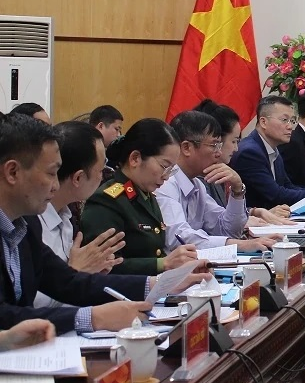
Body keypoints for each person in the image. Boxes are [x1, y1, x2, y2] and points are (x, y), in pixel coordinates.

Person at [0, 113, 205, 334]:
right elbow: (5, 314)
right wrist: (94, 317)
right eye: (51, 173)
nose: (56, 185)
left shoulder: (25, 224)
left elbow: (68, 282)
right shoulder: (32, 220)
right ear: (13, 172)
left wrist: (157, 284)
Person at [81, 119, 199, 275]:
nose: (166, 176)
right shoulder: (107, 200)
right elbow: (105, 266)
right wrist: (163, 263)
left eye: (171, 170)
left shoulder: (147, 195)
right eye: (164, 166)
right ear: (135, 158)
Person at [156, 111, 278, 252]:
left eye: (219, 146)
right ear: (186, 148)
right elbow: (178, 237)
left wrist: (238, 190)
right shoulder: (166, 183)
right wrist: (241, 245)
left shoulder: (197, 185)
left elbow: (228, 230)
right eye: (214, 145)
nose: (219, 153)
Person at [35, 122, 125, 308]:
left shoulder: (66, 216)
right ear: (78, 178)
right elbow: (27, 303)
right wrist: (74, 273)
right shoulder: (29, 222)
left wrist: (90, 273)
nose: (103, 176)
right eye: (100, 170)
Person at [191, 100, 293, 226]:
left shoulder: (217, 170)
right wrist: (244, 221)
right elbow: (214, 222)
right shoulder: (200, 177)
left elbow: (221, 213)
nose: (236, 149)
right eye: (234, 141)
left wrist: (255, 212)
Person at [231, 97, 305, 209]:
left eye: (292, 121)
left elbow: (288, 186)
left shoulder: (273, 149)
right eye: (284, 120)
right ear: (263, 122)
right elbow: (276, 195)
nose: (290, 127)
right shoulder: (250, 152)